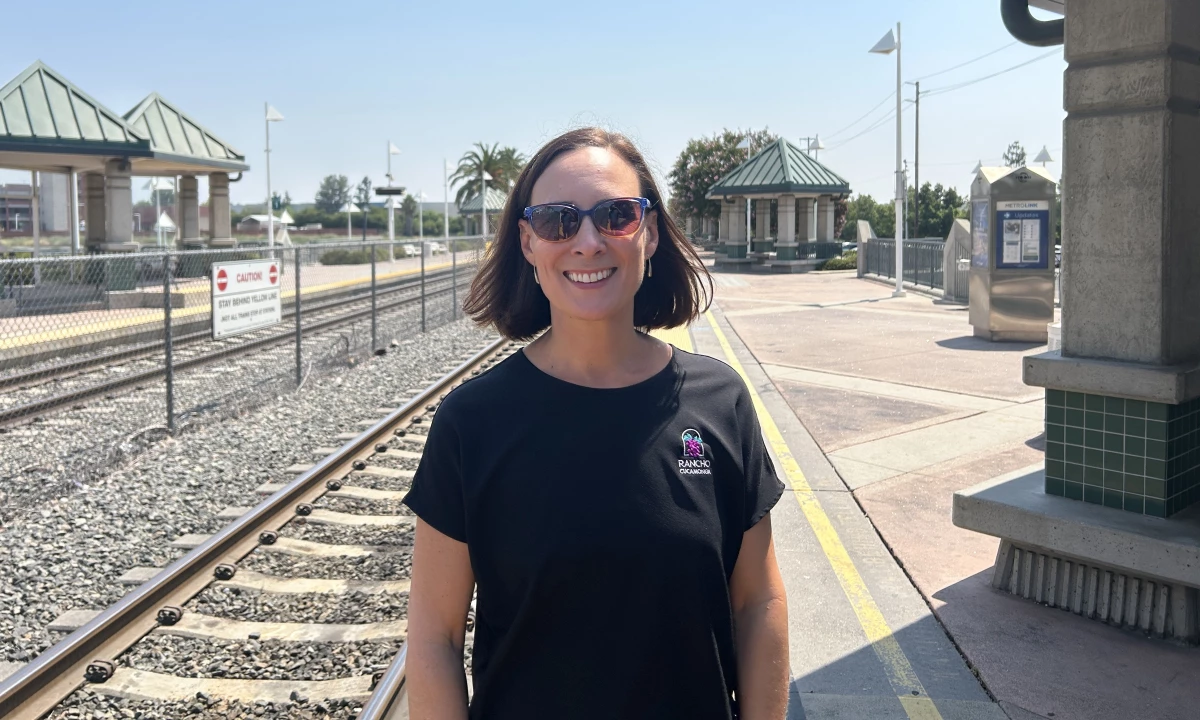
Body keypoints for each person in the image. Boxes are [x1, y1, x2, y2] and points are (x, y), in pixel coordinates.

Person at [402, 127, 789, 720]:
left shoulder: (719, 402)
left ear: (650, 232)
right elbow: (434, 638)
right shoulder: (471, 422)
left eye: (615, 216)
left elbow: (758, 602)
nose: (587, 241)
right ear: (528, 242)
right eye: (559, 220)